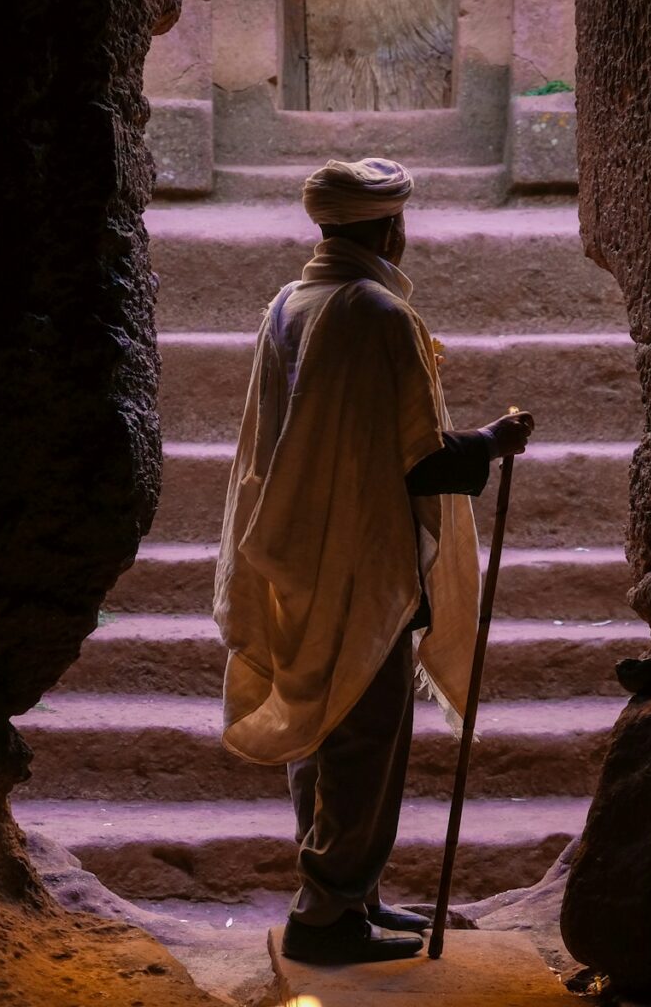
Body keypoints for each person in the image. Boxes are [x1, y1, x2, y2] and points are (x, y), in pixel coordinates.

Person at [213, 158, 533, 964]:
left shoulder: (290, 304)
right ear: (390, 227)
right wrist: (495, 441)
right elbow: (423, 463)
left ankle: (347, 896)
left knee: (323, 728)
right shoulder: (379, 313)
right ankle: (326, 917)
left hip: (297, 554)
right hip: (361, 563)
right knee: (363, 738)